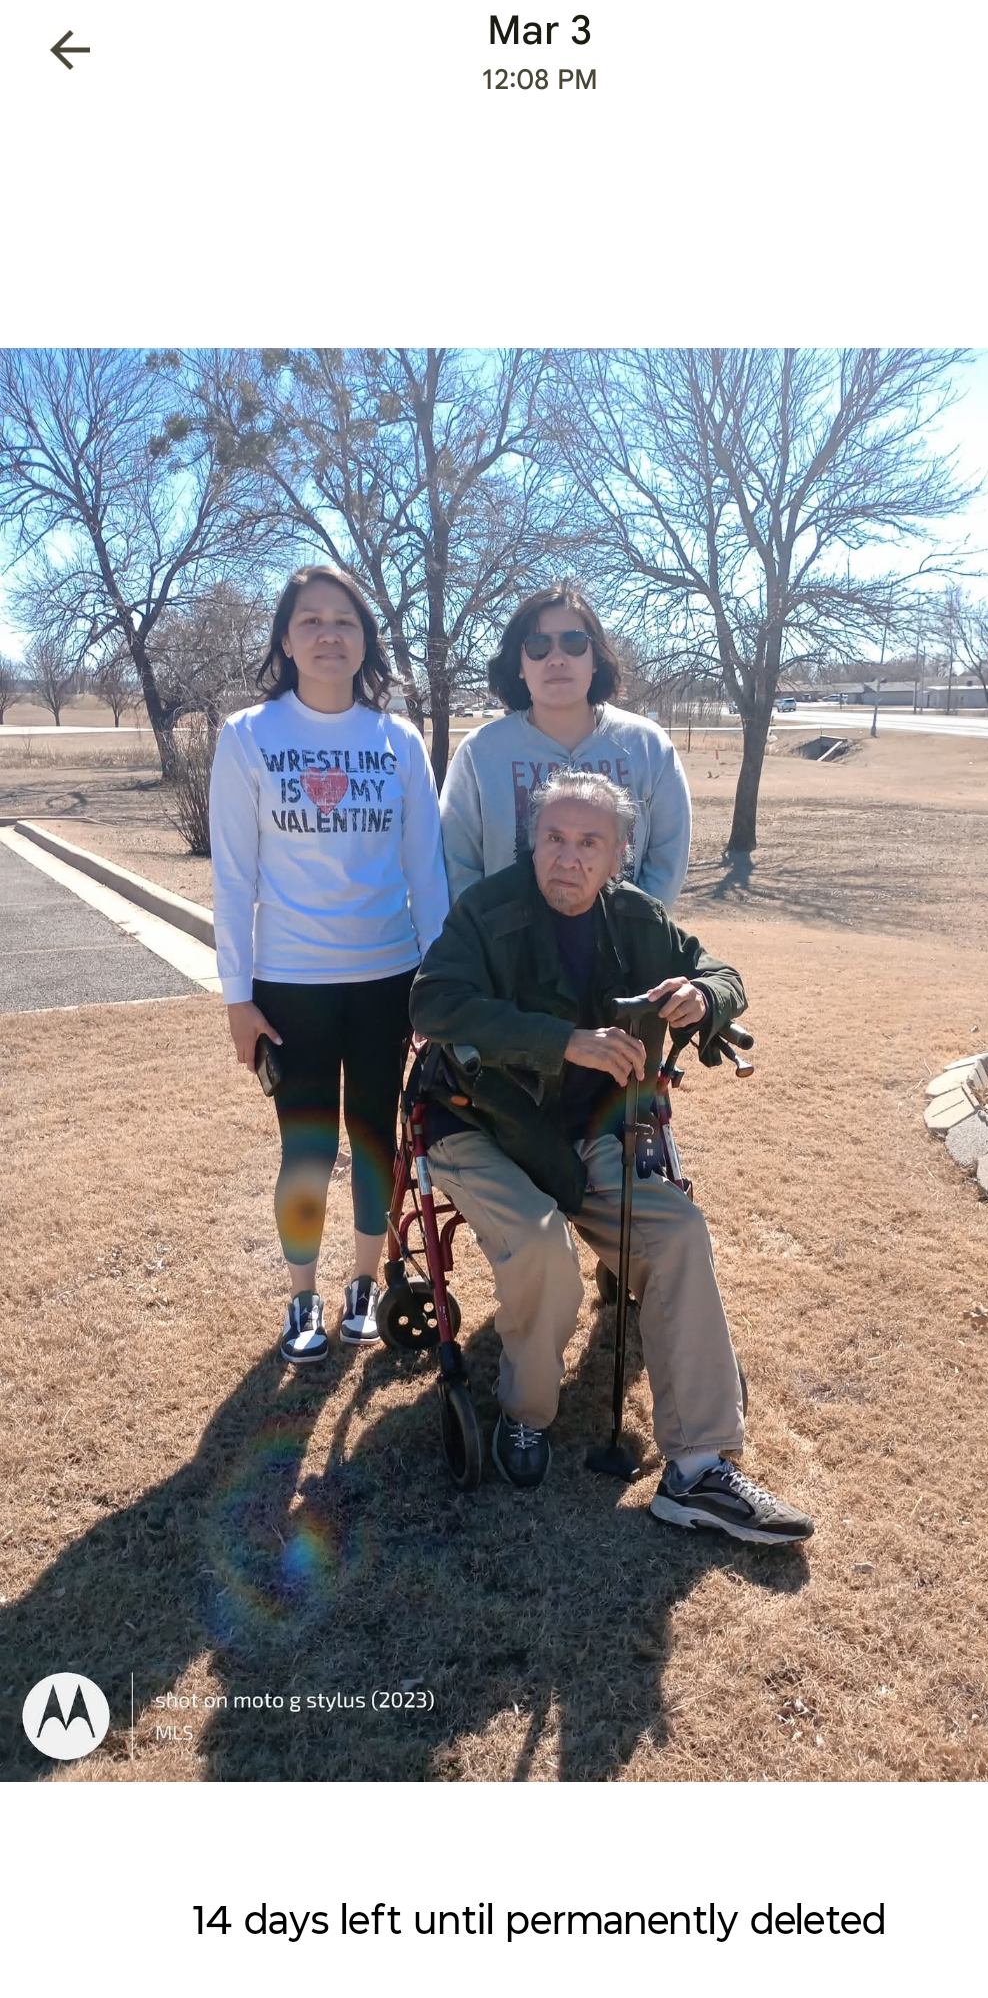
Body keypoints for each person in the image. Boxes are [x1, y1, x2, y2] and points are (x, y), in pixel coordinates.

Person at [410, 770, 813, 1544]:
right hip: (476, 1121)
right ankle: (526, 1415)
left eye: (589, 842)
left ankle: (698, 1468)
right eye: (553, 838)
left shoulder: (637, 919)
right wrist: (563, 1041)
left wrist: (705, 995)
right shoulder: (485, 911)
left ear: (620, 853)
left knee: (679, 1232)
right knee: (539, 1245)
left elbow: (721, 973)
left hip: (585, 1133)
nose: (567, 857)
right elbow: (434, 1003)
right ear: (533, 843)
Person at [209, 564, 449, 1365]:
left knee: (375, 1137)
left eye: (344, 620)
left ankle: (364, 1288)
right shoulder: (249, 736)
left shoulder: (398, 739)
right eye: (310, 620)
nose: (328, 634)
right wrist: (237, 999)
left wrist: (439, 989)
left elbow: (427, 872)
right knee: (305, 1148)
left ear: (365, 639)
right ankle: (302, 1295)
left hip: (389, 979)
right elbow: (235, 877)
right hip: (290, 986)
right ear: (285, 639)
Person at [438, 582, 692, 907]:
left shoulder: (648, 747)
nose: (557, 658)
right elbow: (459, 866)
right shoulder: (479, 753)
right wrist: (489, 943)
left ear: (595, 658)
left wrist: (637, 936)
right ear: (518, 665)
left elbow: (666, 859)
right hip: (507, 951)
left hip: (620, 951)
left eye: (573, 643)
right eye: (538, 646)